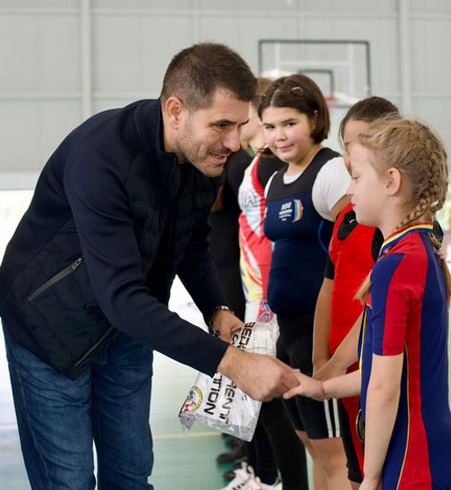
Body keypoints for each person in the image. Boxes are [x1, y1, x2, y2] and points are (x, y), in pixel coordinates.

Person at [0, 43, 296, 490]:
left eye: (239, 125)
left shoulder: (201, 157)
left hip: (128, 328)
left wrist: (216, 307)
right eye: (221, 124)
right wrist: (233, 363)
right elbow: (120, 298)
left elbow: (191, 244)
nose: (234, 143)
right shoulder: (101, 157)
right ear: (175, 110)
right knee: (70, 480)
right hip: (50, 329)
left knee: (131, 474)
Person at [286, 116, 451, 490]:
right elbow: (384, 372)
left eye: (356, 177)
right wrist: (322, 388)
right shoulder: (411, 252)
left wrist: (369, 477)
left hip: (412, 457)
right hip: (425, 448)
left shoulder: (396, 265)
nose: (350, 190)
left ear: (391, 182)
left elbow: (384, 388)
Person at [260, 74, 352, 490]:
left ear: (314, 119)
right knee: (312, 445)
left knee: (335, 454)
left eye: (289, 123)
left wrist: (327, 352)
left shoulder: (330, 171)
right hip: (288, 333)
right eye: (270, 126)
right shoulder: (276, 179)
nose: (279, 135)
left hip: (322, 336)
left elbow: (360, 246)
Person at [312, 96, 400, 489]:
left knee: (376, 474)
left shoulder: (394, 230)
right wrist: (322, 359)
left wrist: (333, 369)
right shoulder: (349, 217)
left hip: (375, 373)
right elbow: (328, 288)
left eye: (363, 144)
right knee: (356, 471)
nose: (351, 158)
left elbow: (375, 313)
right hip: (345, 375)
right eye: (347, 146)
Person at [228, 78, 310, 490]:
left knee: (275, 406)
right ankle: (262, 476)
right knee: (258, 400)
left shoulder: (274, 165)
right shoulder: (258, 163)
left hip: (268, 297)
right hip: (254, 294)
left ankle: (275, 479)